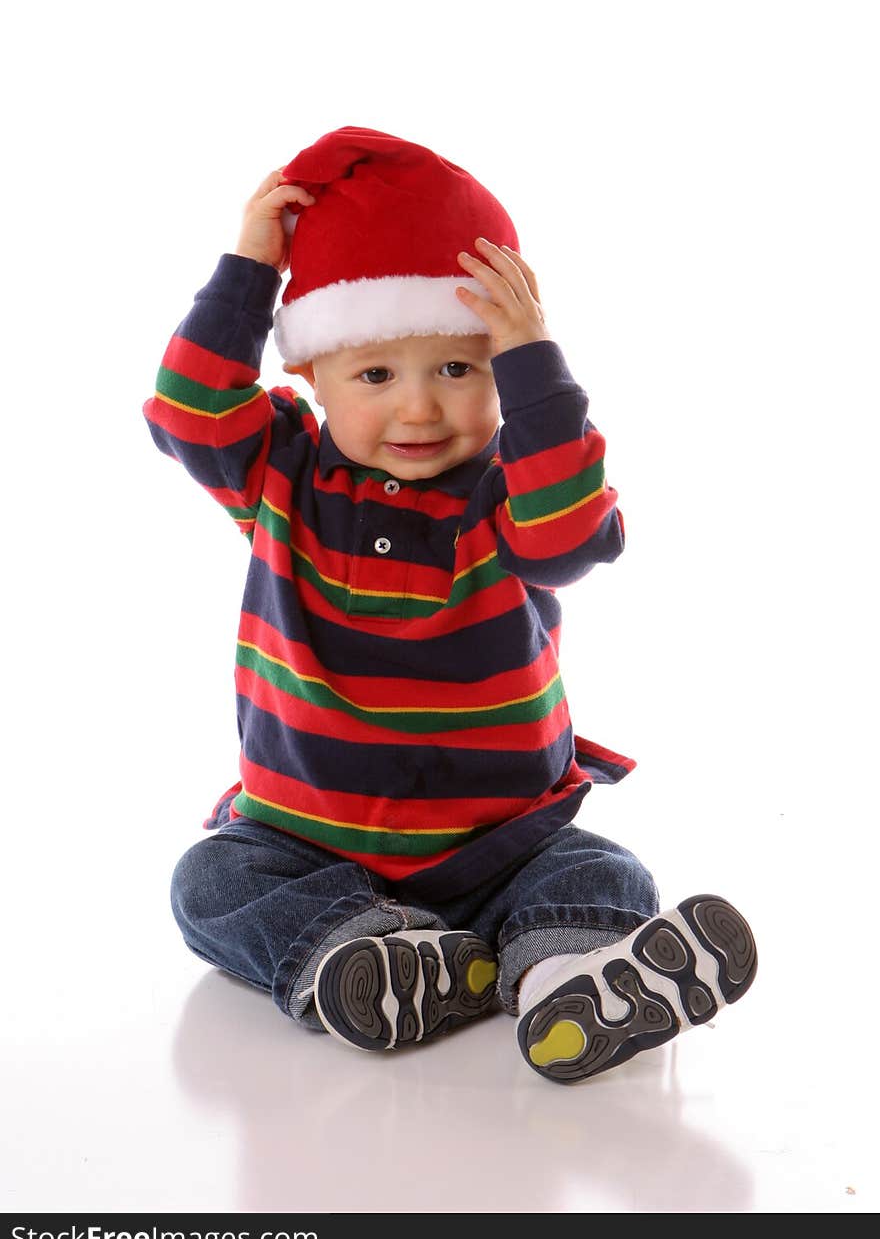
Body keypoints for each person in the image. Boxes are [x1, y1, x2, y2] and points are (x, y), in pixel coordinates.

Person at [144, 126, 757, 1084]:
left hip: (501, 841)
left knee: (602, 875)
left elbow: (571, 539)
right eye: (376, 375)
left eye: (460, 369)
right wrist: (250, 272)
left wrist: (536, 364)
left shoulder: (511, 488)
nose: (420, 410)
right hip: (307, 840)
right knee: (209, 883)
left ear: (501, 376)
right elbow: (187, 408)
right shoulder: (282, 470)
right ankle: (368, 956)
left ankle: (569, 985)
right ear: (311, 372)